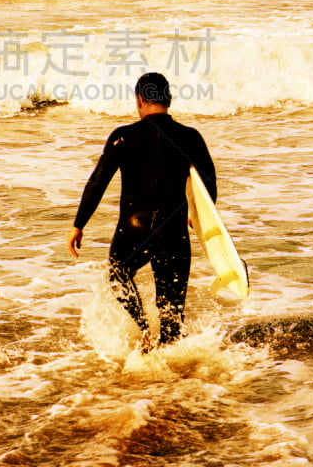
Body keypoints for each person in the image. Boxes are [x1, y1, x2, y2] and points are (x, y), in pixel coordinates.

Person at [67, 72, 217, 350]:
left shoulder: (123, 137)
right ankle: (173, 374)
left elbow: (97, 182)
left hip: (134, 230)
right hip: (172, 230)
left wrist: (79, 224)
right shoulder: (190, 137)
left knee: (119, 274)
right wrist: (199, 216)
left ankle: (144, 328)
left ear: (139, 101)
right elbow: (209, 183)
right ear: (168, 100)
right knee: (172, 314)